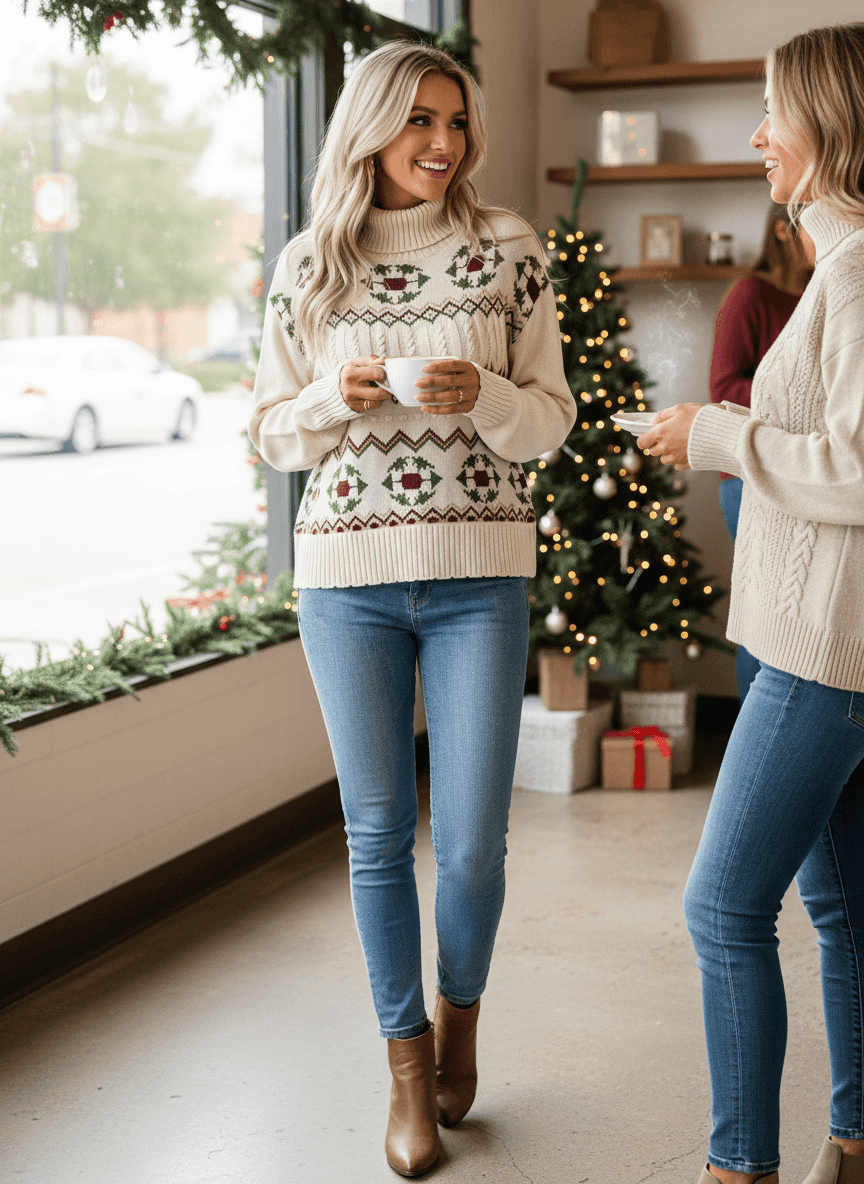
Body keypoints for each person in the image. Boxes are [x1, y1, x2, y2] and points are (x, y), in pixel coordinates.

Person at [249, 41, 575, 1179]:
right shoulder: (309, 266)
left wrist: (482, 393)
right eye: (421, 122)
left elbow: (551, 416)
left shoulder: (507, 252)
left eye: (457, 123)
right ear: (372, 127)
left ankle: (463, 1014)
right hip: (345, 581)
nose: (445, 145)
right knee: (379, 837)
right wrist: (328, 396)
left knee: (475, 842)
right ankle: (406, 1068)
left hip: (480, 573)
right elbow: (271, 432)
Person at [637, 22, 864, 1184]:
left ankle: (740, 1169)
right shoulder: (840, 264)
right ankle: (856, 1141)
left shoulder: (860, 269)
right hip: (823, 646)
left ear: (831, 124)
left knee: (723, 909)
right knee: (843, 910)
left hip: (819, 656)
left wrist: (714, 431)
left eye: (776, 110)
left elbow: (861, 468)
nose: (760, 135)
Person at [709, 203, 812, 702]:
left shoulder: (827, 296)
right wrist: (804, 398)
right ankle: (754, 736)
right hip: (747, 475)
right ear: (782, 230)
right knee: (763, 611)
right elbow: (723, 386)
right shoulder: (752, 294)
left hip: (803, 471)